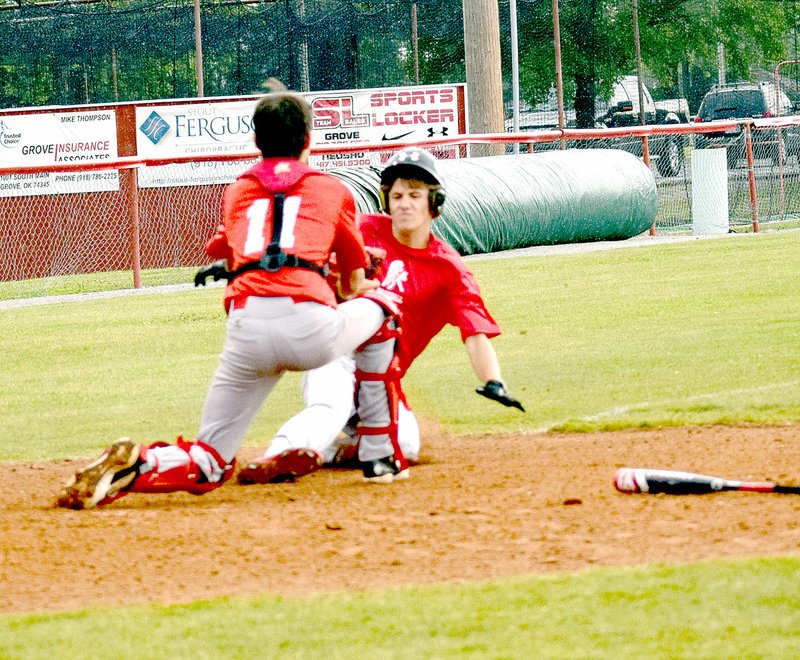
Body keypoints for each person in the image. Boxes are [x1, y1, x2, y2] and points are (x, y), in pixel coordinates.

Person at [56, 83, 396, 509]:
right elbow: (349, 285)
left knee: (211, 461)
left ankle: (139, 464)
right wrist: (363, 277)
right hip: (311, 328)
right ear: (308, 140)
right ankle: (380, 454)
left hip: (247, 327)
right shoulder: (333, 190)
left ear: (256, 141)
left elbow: (224, 247)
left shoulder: (235, 190)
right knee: (384, 307)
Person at [236, 146, 524, 486]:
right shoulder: (364, 229)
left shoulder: (448, 270)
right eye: (397, 194)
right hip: (335, 352)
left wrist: (493, 381)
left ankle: (330, 451)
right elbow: (311, 251)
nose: (404, 203)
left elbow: (474, 331)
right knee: (331, 404)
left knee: (406, 444)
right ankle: (275, 455)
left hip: (383, 376)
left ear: (435, 203)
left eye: (415, 195)